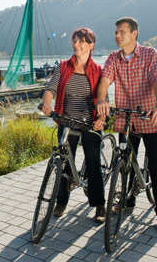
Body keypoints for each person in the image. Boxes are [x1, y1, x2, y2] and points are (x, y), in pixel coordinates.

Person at [94, 17, 157, 231]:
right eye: (116, 32)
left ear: (134, 33)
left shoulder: (149, 54)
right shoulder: (113, 58)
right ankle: (127, 202)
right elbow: (104, 81)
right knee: (125, 164)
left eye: (122, 32)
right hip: (126, 119)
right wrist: (102, 100)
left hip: (149, 118)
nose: (117, 35)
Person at [41, 27, 106, 223]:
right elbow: (50, 88)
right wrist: (47, 103)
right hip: (66, 121)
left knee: (94, 164)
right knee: (63, 164)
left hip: (89, 123)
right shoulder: (63, 67)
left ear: (91, 45)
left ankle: (99, 205)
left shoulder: (98, 71)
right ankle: (61, 201)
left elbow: (103, 98)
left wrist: (101, 119)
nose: (76, 45)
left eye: (81, 42)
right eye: (75, 42)